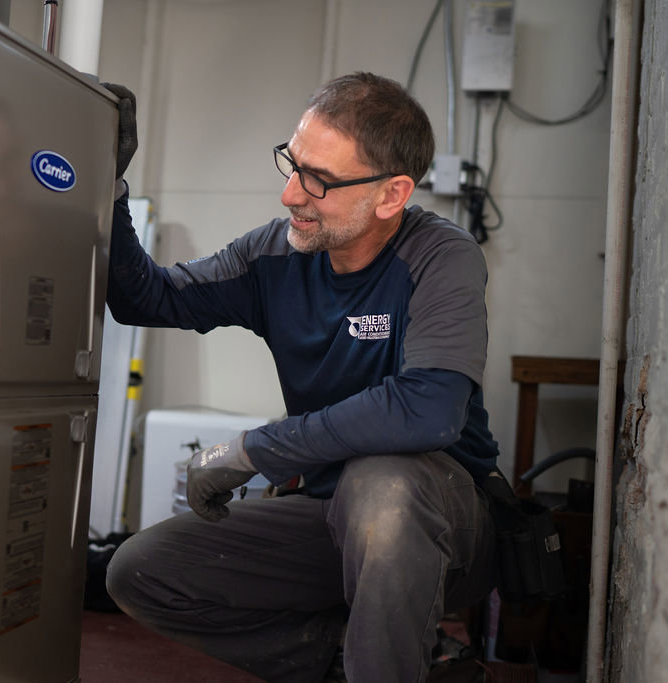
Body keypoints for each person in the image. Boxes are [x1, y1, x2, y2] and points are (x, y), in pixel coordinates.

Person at [101, 73, 499, 683]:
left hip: (444, 525)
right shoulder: (276, 258)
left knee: (383, 484)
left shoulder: (441, 257)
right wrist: (109, 187)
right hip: (328, 510)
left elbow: (428, 410)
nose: (291, 195)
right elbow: (146, 299)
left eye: (320, 180)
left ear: (392, 195)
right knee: (141, 572)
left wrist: (254, 449)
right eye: (293, 163)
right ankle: (348, 658)